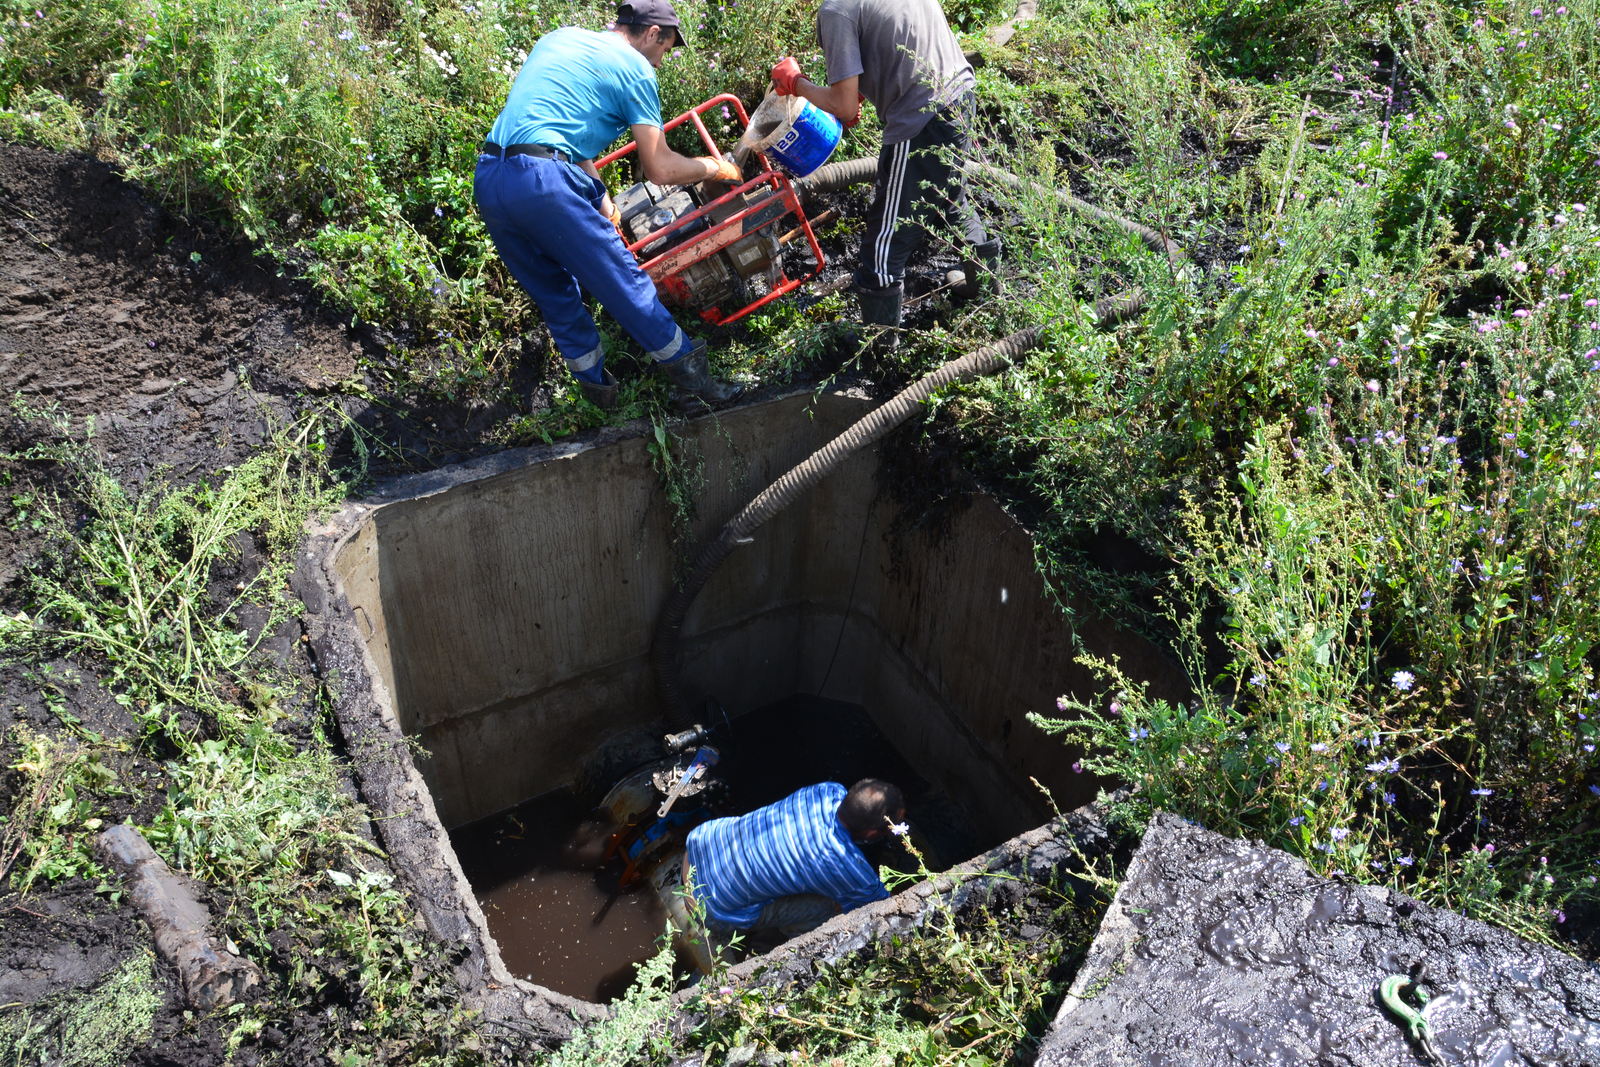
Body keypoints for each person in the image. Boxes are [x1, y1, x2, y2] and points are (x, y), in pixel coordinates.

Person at [475, 0, 743, 410]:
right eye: (665, 50)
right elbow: (659, 168)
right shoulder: (636, 68)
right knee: (624, 283)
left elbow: (561, 128)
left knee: (556, 293)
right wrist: (713, 167)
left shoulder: (561, 39)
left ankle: (599, 401)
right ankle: (695, 386)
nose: (660, 62)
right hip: (543, 182)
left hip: (492, 177)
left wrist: (600, 195)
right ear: (653, 34)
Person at [769, 0, 1000, 334]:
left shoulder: (836, 10)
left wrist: (796, 83)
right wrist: (857, 94)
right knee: (949, 194)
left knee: (885, 241)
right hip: (960, 93)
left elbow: (843, 106)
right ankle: (988, 294)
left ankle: (880, 348)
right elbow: (899, 40)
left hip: (921, 115)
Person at [684, 778, 904, 944]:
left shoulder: (828, 790)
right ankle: (780, 938)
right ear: (872, 835)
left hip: (698, 847)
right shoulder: (846, 865)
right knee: (836, 906)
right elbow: (882, 906)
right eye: (890, 830)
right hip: (711, 911)